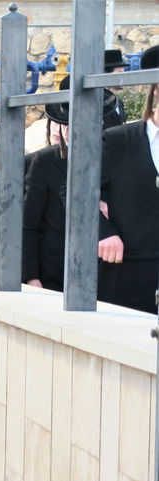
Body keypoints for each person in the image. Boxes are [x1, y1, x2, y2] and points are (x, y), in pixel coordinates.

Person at [23, 76, 119, 292]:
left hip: (107, 274)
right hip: (56, 275)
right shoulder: (44, 162)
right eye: (65, 123)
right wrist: (32, 277)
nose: (67, 130)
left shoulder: (114, 157)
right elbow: (29, 224)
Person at [98, 45, 159, 314]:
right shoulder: (118, 140)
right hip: (129, 276)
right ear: (156, 89)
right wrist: (103, 233)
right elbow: (75, 191)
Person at [103, 48, 129, 129]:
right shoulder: (98, 102)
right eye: (119, 74)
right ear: (105, 75)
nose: (123, 78)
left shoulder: (119, 102)